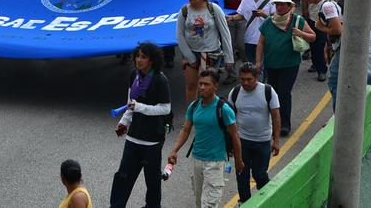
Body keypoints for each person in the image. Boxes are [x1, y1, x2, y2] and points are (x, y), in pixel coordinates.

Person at [168, 70, 243, 208]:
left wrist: (238, 160)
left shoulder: (224, 109)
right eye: (200, 84)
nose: (202, 87)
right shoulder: (194, 106)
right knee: (199, 202)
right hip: (197, 160)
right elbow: (185, 129)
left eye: (206, 84)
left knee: (208, 204)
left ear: (215, 86)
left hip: (215, 163)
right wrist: (175, 150)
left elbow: (234, 136)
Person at [110, 42, 172, 208]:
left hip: (152, 141)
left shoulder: (160, 80)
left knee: (152, 182)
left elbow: (166, 109)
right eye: (137, 56)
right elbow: (131, 103)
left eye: (143, 57)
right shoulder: (134, 75)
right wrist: (124, 122)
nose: (139, 60)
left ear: (152, 60)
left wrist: (141, 108)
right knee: (122, 177)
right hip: (133, 138)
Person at [255, 0, 315, 136]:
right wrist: (258, 62)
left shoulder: (297, 20)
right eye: (277, 4)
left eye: (282, 5)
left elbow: (313, 37)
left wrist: (301, 33)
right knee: (272, 94)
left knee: (284, 93)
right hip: (271, 64)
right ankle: (272, 123)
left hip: (290, 64)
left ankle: (284, 124)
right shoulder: (269, 21)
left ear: (289, 6)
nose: (279, 7)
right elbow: (261, 42)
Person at [176, 0, 234, 105]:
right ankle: (191, 117)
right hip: (191, 53)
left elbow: (225, 33)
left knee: (206, 87)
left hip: (211, 53)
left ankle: (208, 115)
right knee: (191, 85)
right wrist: (189, 57)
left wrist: (229, 58)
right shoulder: (184, 11)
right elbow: (179, 35)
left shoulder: (213, 9)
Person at [231, 63, 281, 202]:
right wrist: (230, 144)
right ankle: (245, 202)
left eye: (249, 79)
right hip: (242, 142)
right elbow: (230, 120)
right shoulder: (235, 93)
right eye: (242, 79)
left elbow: (276, 116)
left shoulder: (268, 92)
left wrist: (276, 141)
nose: (245, 83)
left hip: (262, 141)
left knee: (259, 174)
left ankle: (266, 199)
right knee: (242, 175)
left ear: (257, 77)